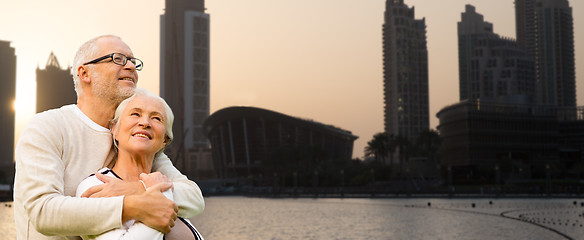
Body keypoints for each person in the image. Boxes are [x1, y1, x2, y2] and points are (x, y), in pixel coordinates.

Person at [14, 35, 204, 240]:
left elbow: (193, 196)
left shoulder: (133, 139)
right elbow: (43, 212)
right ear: (84, 73)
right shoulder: (48, 127)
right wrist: (133, 205)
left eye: (133, 61)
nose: (131, 66)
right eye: (118, 59)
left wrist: (136, 189)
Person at [76, 88, 203, 240]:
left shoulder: (163, 181)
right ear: (114, 129)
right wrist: (159, 195)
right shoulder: (96, 185)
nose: (144, 123)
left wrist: (147, 189)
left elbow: (196, 200)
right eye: (135, 114)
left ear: (164, 140)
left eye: (156, 118)